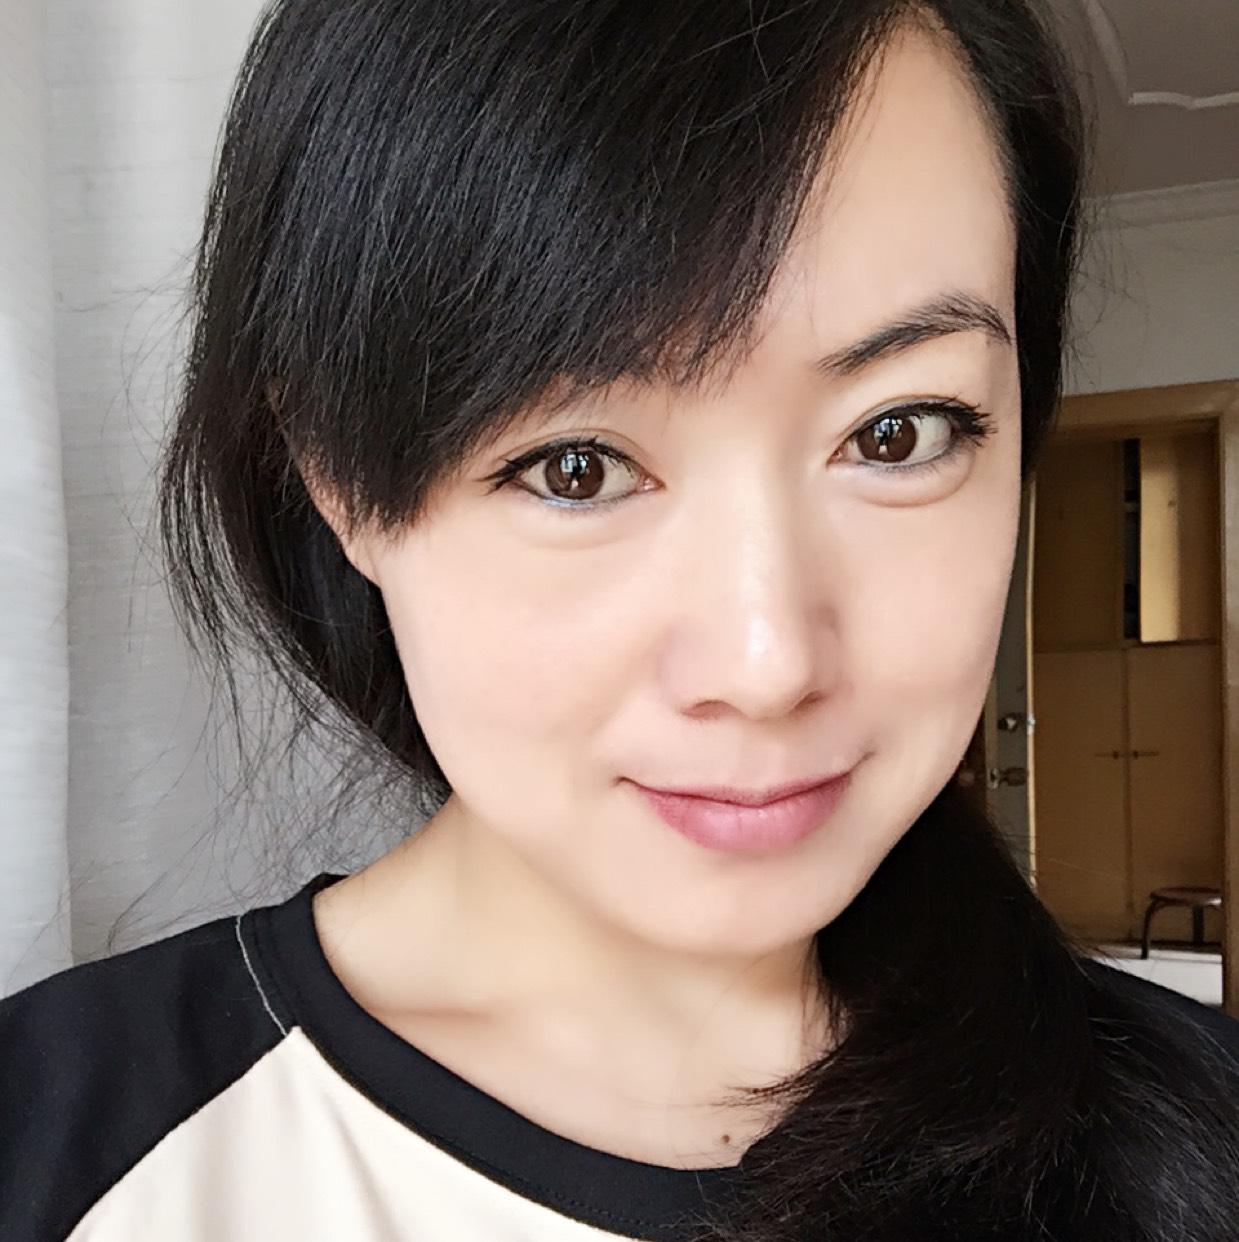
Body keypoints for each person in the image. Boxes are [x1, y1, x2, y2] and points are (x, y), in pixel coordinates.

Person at [3, 1, 1238, 1239]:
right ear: (334, 479)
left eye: (896, 434)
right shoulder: (62, 1152)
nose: (766, 663)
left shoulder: (1201, 1133)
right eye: (577, 467)